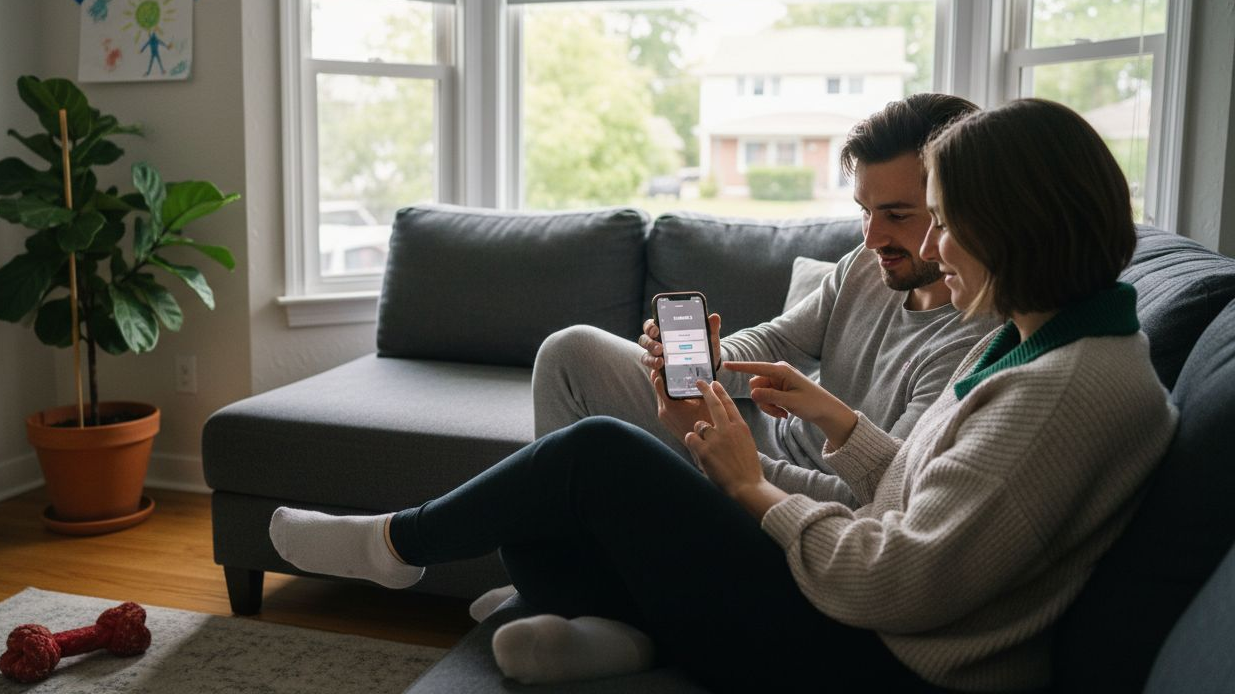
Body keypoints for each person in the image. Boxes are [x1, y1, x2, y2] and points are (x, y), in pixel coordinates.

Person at [268, 99, 1176, 692]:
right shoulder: (1047, 346)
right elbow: (920, 495)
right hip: (873, 621)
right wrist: (824, 415)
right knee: (576, 442)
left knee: (596, 458)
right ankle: (586, 614)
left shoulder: (1057, 390)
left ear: (1015, 225)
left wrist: (748, 483)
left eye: (937, 220)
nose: (929, 247)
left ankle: (401, 545)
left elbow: (893, 578)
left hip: (887, 663)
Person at [534, 93, 997, 508]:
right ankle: (553, 556)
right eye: (864, 211)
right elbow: (780, 342)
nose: (872, 238)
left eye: (897, 215)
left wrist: (716, 449)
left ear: (954, 206)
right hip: (760, 434)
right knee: (570, 352)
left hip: (790, 488)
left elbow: (878, 498)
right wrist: (713, 359)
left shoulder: (975, 345)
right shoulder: (865, 264)